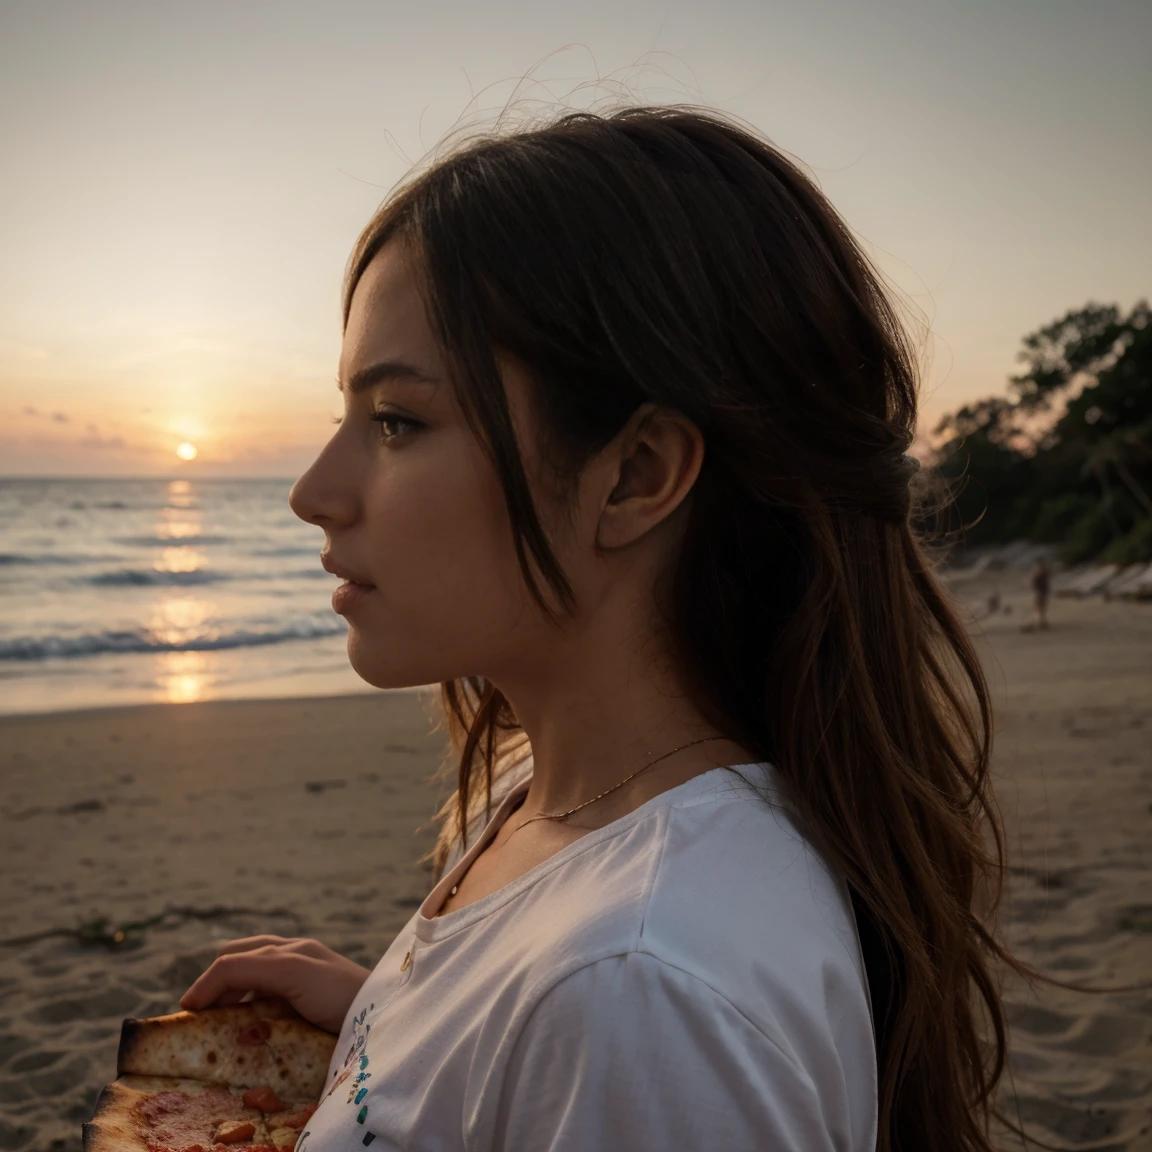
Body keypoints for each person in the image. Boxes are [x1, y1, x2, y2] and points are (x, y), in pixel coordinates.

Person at [180, 107, 1013, 1152]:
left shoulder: (643, 991)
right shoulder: (542, 798)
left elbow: (624, 1026)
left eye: (398, 421)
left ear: (636, 477)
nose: (314, 492)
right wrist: (392, 1036)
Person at [1031, 558, 1052, 629]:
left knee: (1041, 607)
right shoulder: (1039, 574)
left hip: (1043, 591)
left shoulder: (1043, 573)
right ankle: (1041, 622)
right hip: (1040, 591)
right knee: (1040, 607)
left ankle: (1041, 621)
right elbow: (1035, 584)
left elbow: (1046, 580)